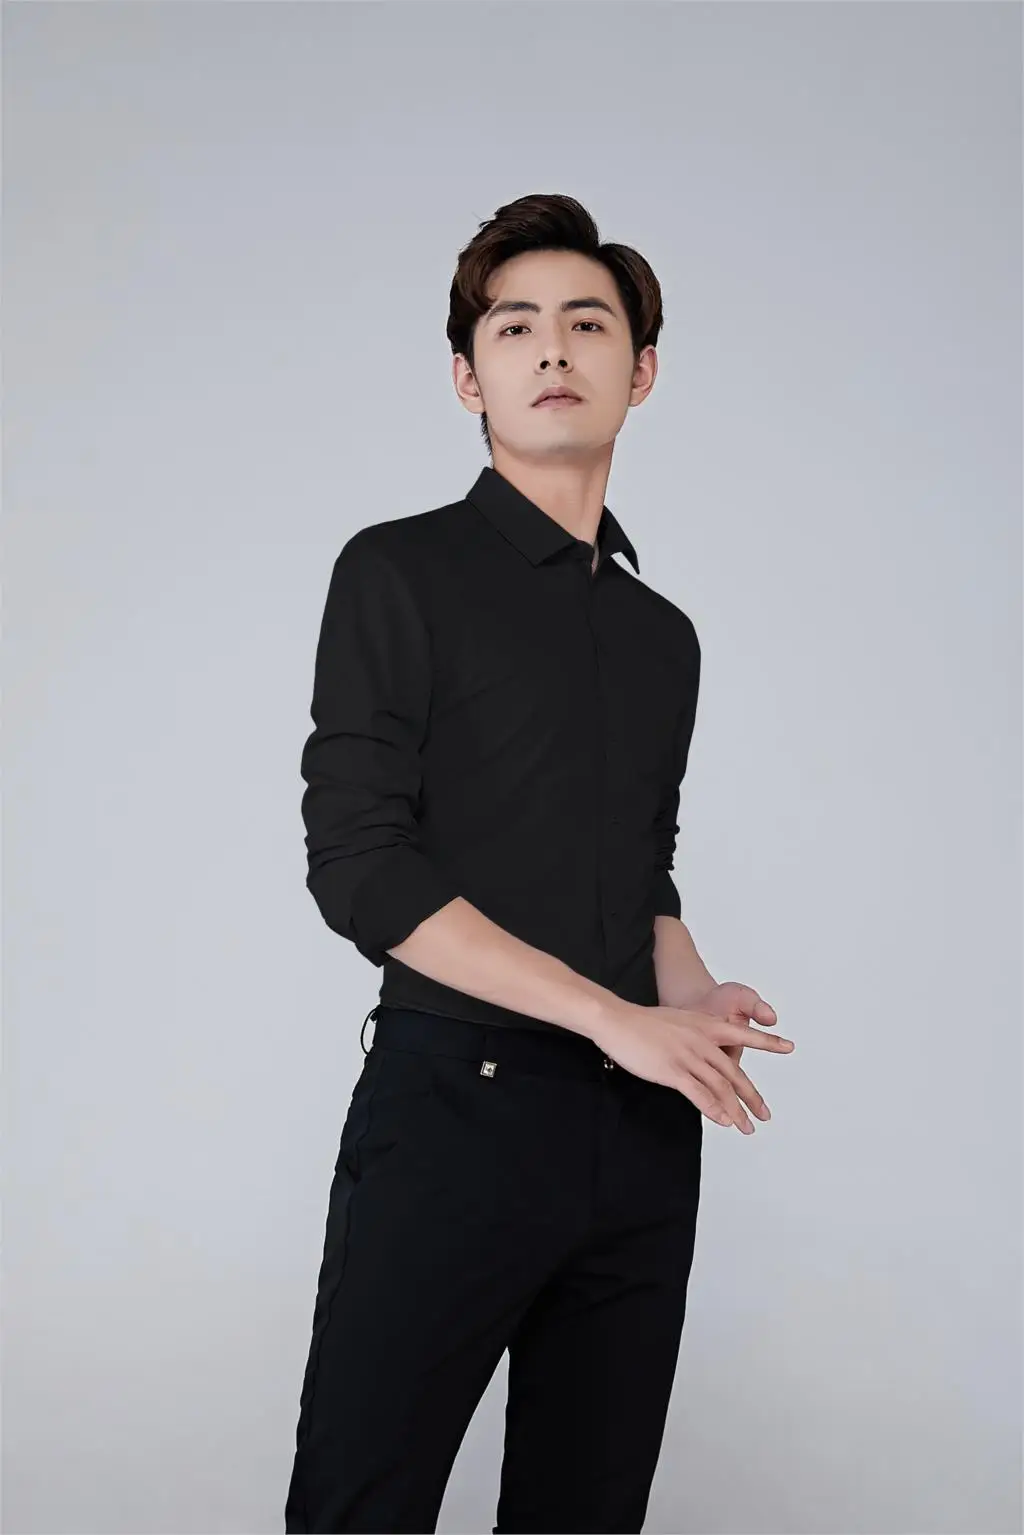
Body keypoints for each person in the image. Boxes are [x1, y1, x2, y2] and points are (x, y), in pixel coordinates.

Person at [284, 192, 794, 1534]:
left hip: (637, 1138)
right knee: (361, 1505)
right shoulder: (398, 572)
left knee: (587, 1513)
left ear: (642, 370)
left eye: (587, 323)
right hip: (456, 1109)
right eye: (515, 327)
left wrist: (685, 991)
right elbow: (361, 867)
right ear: (470, 378)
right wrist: (607, 1015)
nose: (553, 348)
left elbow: (642, 865)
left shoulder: (663, 636)